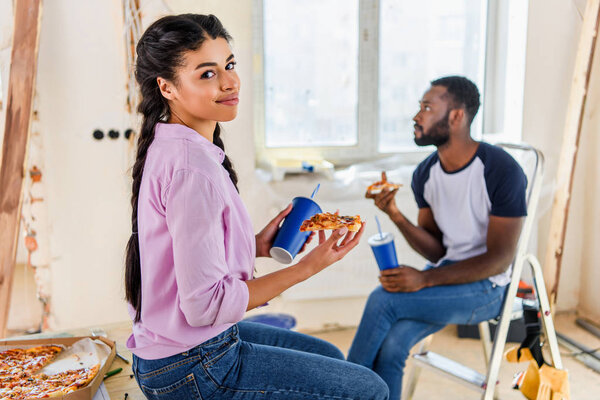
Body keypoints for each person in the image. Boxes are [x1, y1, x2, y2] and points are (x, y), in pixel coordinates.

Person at [123, 14, 389, 400]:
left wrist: (255, 244)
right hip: (193, 368)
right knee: (368, 390)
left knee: (329, 353)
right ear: (166, 86)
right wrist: (306, 268)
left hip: (177, 352)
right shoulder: (192, 168)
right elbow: (204, 306)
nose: (230, 82)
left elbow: (188, 253)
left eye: (229, 65)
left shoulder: (173, 144)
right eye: (207, 74)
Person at [347, 76, 527, 399]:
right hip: (448, 277)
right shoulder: (425, 174)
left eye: (427, 107)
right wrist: (396, 215)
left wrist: (425, 281)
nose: (417, 116)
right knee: (393, 346)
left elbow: (500, 258)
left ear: (457, 116)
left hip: (489, 287)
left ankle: (339, 390)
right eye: (419, 107)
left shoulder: (500, 170)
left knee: (382, 299)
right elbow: (436, 251)